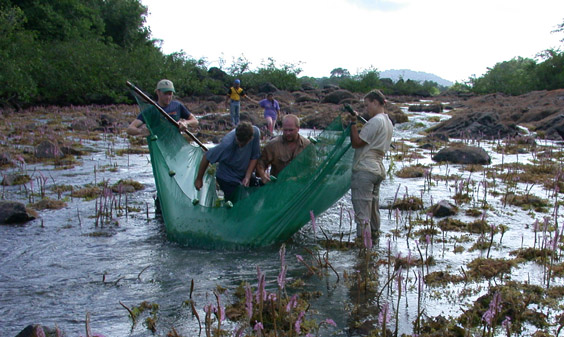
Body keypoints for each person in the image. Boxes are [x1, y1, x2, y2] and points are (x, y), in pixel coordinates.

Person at [348, 89, 394, 239]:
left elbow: (356, 143)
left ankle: (363, 251)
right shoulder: (388, 122)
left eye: (367, 105)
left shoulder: (376, 121)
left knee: (362, 213)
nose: (366, 109)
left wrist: (353, 123)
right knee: (373, 211)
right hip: (377, 170)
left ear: (376, 102)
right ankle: (374, 246)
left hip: (365, 170)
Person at [194, 122, 261, 201]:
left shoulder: (255, 133)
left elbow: (254, 157)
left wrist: (247, 176)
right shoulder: (226, 144)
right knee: (236, 202)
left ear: (250, 139)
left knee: (258, 190)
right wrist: (199, 179)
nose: (239, 146)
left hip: (243, 172)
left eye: (242, 145)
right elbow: (206, 157)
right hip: (227, 177)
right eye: (238, 142)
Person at [127, 79, 198, 136]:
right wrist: (140, 131)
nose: (168, 97)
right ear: (158, 92)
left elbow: (195, 121)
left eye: (170, 94)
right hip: (158, 146)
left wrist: (185, 123)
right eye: (165, 94)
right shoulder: (150, 111)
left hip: (176, 146)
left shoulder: (177, 106)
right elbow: (130, 129)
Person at [256, 114, 310, 184]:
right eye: (285, 130)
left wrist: (297, 178)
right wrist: (263, 176)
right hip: (278, 185)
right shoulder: (273, 145)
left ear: (298, 128)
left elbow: (311, 168)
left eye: (291, 130)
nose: (288, 133)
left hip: (301, 186)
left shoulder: (307, 145)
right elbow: (261, 163)